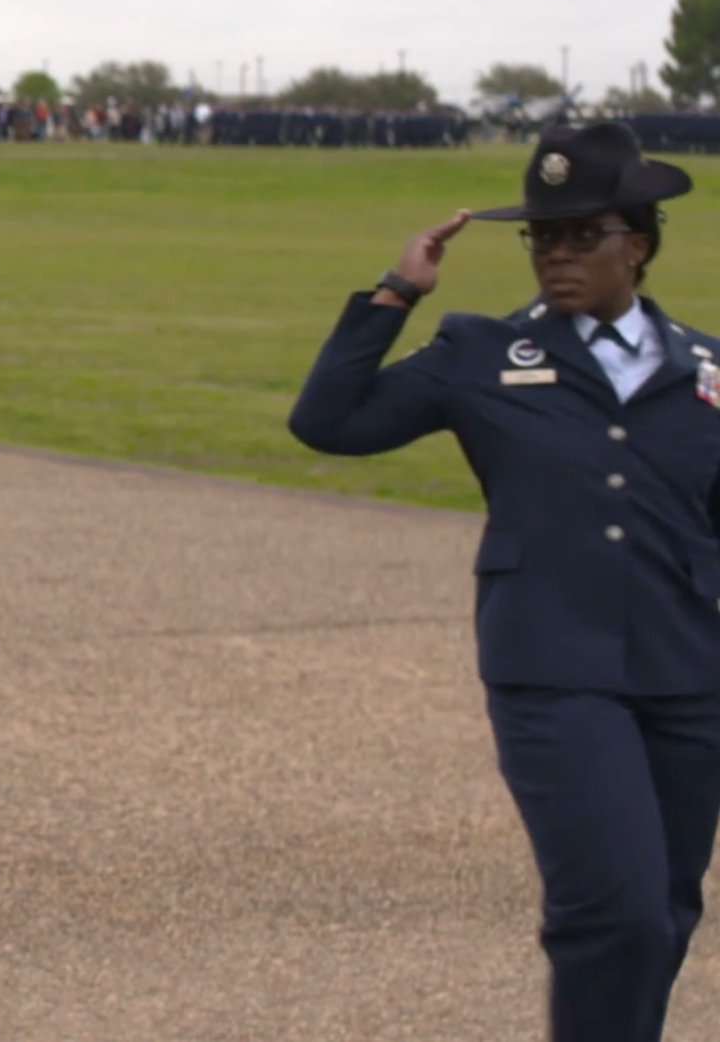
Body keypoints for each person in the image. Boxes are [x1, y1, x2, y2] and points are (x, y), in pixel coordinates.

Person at [289, 122, 720, 1042]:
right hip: (553, 668)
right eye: (542, 238)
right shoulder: (482, 353)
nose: (557, 256)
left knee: (666, 915)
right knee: (614, 906)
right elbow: (330, 423)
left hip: (688, 672)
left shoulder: (708, 367)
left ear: (636, 245)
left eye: (581, 236)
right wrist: (396, 291)